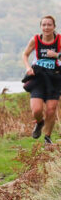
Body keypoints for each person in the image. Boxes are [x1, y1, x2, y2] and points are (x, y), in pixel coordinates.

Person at [21, 15, 61, 145]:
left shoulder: (59, 40)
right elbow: (25, 54)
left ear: (54, 27)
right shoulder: (36, 39)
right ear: (40, 27)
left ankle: (47, 138)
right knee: (36, 110)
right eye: (44, 25)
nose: (46, 27)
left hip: (54, 77)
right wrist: (28, 67)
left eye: (49, 25)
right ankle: (39, 122)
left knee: (51, 109)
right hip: (38, 77)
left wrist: (56, 55)